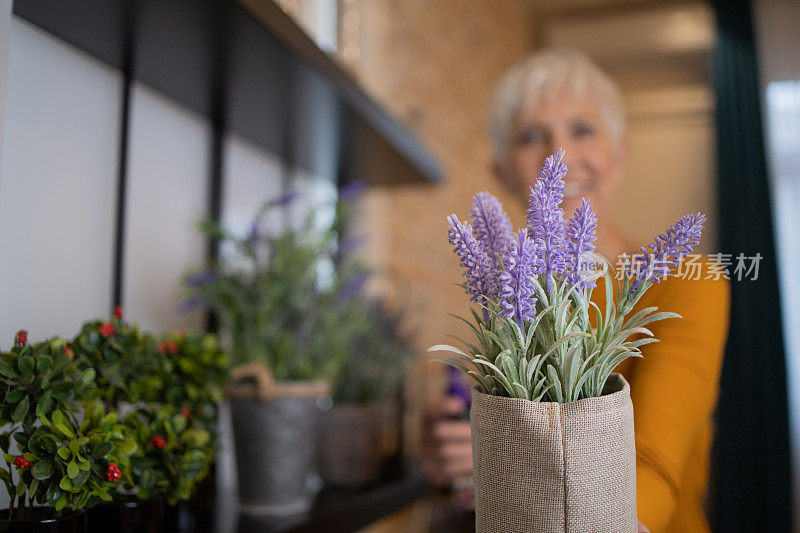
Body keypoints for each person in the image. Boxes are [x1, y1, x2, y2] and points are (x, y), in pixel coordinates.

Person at [422, 48, 730, 533]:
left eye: (582, 129)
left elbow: (654, 461)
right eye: (530, 136)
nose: (558, 155)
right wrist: (464, 461)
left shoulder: (688, 278)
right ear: (501, 169)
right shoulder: (510, 303)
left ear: (620, 153)